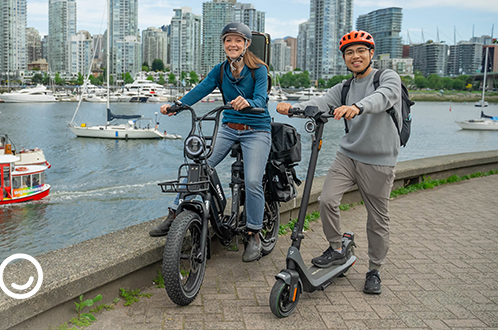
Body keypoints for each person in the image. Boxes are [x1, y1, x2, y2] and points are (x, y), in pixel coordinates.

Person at [275, 30, 402, 294]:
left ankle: (374, 269)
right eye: (349, 52)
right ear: (344, 58)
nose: (355, 56)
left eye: (360, 51)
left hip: (379, 161)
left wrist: (358, 107)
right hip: (348, 156)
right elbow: (321, 102)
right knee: (326, 200)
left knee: (377, 219)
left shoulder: (387, 77)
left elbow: (384, 97)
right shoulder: (343, 88)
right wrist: (294, 108)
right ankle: (337, 248)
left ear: (371, 54)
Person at [148, 22, 271, 263]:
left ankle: (254, 233)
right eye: (228, 40)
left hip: (256, 129)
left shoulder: (259, 70)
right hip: (228, 128)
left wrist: (248, 102)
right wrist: (178, 106)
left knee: (253, 179)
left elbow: (261, 100)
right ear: (223, 44)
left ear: (246, 44)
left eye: (238, 40)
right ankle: (176, 214)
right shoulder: (220, 70)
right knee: (198, 167)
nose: (232, 44)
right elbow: (200, 90)